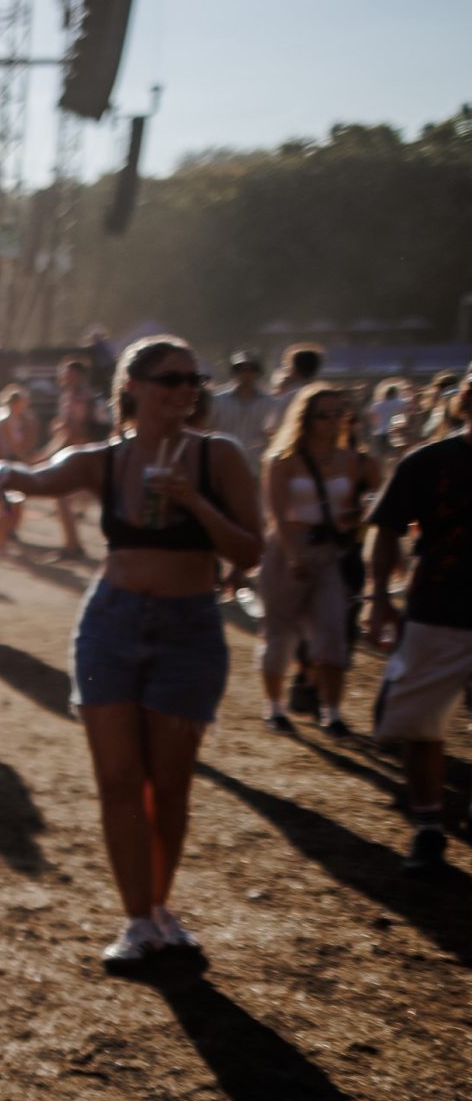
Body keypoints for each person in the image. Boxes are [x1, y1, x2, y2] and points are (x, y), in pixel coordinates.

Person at [0, 337, 262, 971]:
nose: (186, 390)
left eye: (194, 379)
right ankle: (136, 921)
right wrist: (1, 474)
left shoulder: (219, 457)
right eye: (171, 379)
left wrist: (194, 502)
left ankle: (161, 908)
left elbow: (250, 552)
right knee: (119, 779)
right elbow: (40, 476)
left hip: (189, 629)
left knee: (171, 783)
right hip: (111, 624)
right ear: (132, 386)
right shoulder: (106, 460)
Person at [364, 380, 469, 874]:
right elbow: (386, 530)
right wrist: (380, 597)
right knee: (421, 724)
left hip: (438, 609)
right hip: (437, 609)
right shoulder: (427, 462)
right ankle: (428, 828)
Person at [256, 384, 374, 734]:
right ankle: (275, 707)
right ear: (306, 418)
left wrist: (355, 518)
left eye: (339, 413)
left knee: (333, 630)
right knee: (280, 633)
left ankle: (332, 712)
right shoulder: (283, 460)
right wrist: (293, 555)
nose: (333, 420)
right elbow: (276, 513)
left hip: (329, 552)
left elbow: (359, 507)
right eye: (324, 414)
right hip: (287, 550)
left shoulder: (353, 461)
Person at [50, 359, 111, 561]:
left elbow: (73, 430)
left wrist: (45, 455)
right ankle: (73, 545)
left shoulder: (79, 398)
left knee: (63, 497)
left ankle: (73, 546)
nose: (64, 376)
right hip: (85, 454)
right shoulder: (81, 396)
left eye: (68, 373)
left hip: (81, 455)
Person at [0, 384, 38, 552]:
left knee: (12, 501)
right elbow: (11, 445)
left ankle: (7, 532)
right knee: (8, 502)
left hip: (10, 461)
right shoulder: (4, 419)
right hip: (7, 462)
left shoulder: (16, 418)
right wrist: (26, 459)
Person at [210, 351, 275, 466]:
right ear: (234, 372)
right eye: (242, 369)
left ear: (257, 373)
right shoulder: (218, 400)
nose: (247, 374)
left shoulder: (269, 402)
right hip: (223, 462)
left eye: (251, 369)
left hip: (256, 465)